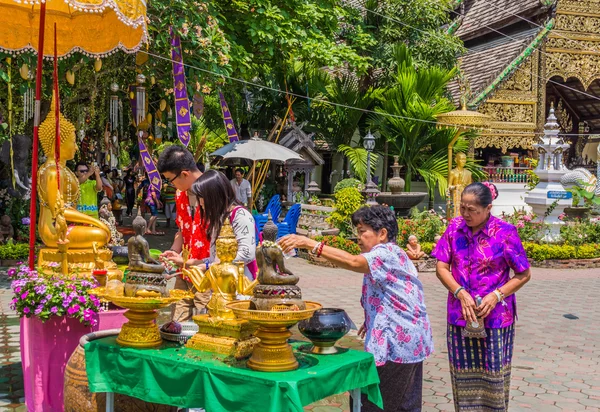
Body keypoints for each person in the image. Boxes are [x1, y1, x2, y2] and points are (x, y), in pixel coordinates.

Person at [279, 205, 434, 411]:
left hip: (397, 342)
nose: (358, 237)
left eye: (362, 232)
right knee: (404, 403)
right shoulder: (395, 253)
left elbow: (352, 261)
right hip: (411, 339)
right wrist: (373, 320)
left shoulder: (385, 252)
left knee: (373, 402)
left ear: (382, 234)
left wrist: (311, 244)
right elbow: (400, 295)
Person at [431, 182, 531, 412]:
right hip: (460, 315)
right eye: (462, 207)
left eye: (472, 209)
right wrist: (459, 292)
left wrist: (497, 295)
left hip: (494, 317)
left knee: (492, 376)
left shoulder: (505, 232)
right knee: (462, 376)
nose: (465, 214)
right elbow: (441, 267)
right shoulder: (454, 228)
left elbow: (524, 274)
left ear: (488, 208)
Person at [158, 146, 210, 321]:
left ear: (185, 174)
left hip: (208, 273)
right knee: (177, 323)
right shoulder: (180, 194)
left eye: (170, 180)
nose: (170, 185)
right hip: (184, 271)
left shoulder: (213, 191)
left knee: (207, 322)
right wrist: (174, 251)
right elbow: (183, 229)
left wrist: (191, 262)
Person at [192, 170, 258, 280]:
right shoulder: (219, 217)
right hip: (221, 284)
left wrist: (210, 267)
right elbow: (216, 258)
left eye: (201, 197)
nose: (200, 202)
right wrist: (191, 263)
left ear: (214, 195)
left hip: (241, 285)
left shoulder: (240, 216)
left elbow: (247, 254)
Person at [448, 152, 472, 218]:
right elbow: (449, 186)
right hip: (456, 197)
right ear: (456, 160)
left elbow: (470, 187)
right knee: (455, 214)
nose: (463, 161)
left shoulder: (468, 173)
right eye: (461, 159)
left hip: (465, 197)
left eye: (465, 159)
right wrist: (455, 187)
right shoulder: (453, 172)